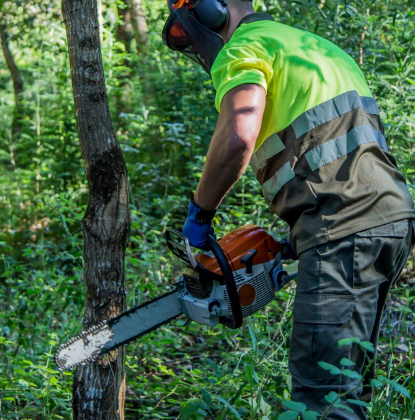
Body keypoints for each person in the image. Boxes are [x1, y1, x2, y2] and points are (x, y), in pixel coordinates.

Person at [163, 0, 415, 418]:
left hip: (343, 226)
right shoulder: (318, 48)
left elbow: (238, 137)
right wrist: (298, 240)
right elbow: (338, 156)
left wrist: (200, 215)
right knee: (346, 389)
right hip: (389, 220)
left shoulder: (246, 48)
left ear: (211, 11)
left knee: (322, 399)